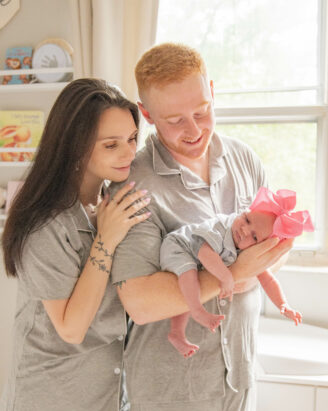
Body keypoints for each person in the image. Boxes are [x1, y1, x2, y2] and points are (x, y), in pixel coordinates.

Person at [109, 43, 294, 411]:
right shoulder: (134, 185)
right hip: (172, 391)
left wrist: (253, 270)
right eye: (175, 120)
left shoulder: (244, 159)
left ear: (212, 90)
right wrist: (234, 274)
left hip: (238, 379)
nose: (194, 130)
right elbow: (140, 302)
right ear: (146, 113)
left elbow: (277, 250)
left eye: (202, 111)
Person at [0, 78, 151, 411]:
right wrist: (106, 241)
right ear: (74, 146)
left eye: (132, 139)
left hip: (110, 393)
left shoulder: (110, 203)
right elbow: (71, 328)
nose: (129, 153)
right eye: (111, 145)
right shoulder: (44, 223)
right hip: (53, 396)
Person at [160, 186, 314, 357]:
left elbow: (268, 279)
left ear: (260, 246)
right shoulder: (222, 228)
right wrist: (227, 276)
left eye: (254, 237)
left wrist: (283, 305)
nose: (245, 230)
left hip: (196, 258)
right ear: (245, 212)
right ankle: (196, 311)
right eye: (247, 220)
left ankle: (176, 333)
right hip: (180, 246)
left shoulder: (247, 250)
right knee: (189, 274)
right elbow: (203, 252)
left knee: (189, 285)